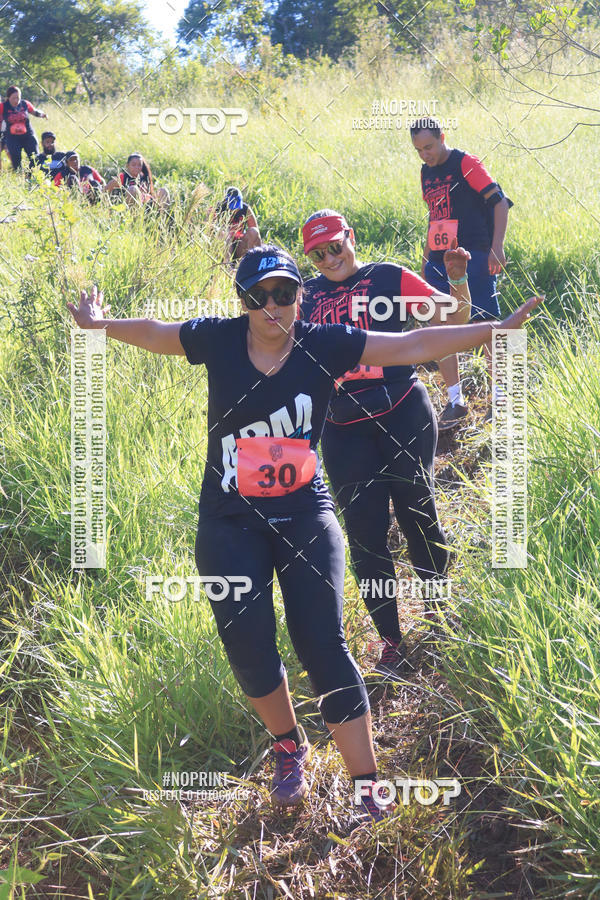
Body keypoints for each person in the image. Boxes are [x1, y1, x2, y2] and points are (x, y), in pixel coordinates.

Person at [66, 245, 541, 822]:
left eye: (284, 293)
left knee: (322, 643)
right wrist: (99, 325)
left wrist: (493, 330)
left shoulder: (324, 343)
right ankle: (289, 745)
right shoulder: (219, 339)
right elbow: (157, 332)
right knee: (247, 643)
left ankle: (366, 784)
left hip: (304, 514)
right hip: (229, 517)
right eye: (257, 296)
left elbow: (413, 345)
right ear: (242, 301)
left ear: (299, 294)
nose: (271, 306)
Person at [301, 210, 471, 679]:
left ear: (351, 238)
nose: (329, 258)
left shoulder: (389, 278)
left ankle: (439, 615)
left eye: (335, 246)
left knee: (419, 514)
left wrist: (459, 279)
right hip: (342, 427)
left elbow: (454, 318)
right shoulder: (305, 296)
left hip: (402, 411)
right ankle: (391, 641)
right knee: (365, 534)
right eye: (318, 254)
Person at [411, 117, 513, 428]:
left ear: (442, 137)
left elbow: (499, 203)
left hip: (474, 256)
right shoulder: (426, 172)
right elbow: (435, 217)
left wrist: (497, 247)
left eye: (429, 147)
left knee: (485, 324)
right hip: (439, 261)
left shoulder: (466, 162)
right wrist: (426, 260)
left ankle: (501, 400)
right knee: (439, 328)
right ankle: (455, 402)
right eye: (419, 150)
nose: (425, 154)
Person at [0, 86, 47, 171]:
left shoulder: (25, 104)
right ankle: (19, 174)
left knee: (34, 157)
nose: (16, 100)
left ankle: (32, 174)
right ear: (8, 97)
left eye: (18, 98)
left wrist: (42, 114)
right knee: (16, 159)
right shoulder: (3, 106)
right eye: (13, 98)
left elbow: (34, 111)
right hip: (12, 137)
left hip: (28, 135)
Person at [210, 187, 261, 262]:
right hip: (223, 247)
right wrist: (226, 230)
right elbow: (209, 231)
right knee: (222, 234)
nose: (235, 210)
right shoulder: (217, 208)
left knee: (254, 231)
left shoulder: (245, 209)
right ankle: (227, 265)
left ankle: (251, 262)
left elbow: (255, 234)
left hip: (240, 246)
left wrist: (237, 232)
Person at [104, 153, 169, 209]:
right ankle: (134, 218)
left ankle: (163, 217)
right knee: (133, 189)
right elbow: (105, 191)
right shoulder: (122, 177)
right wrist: (110, 207)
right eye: (133, 165)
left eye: (139, 165)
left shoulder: (144, 177)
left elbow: (151, 194)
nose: (136, 167)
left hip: (146, 207)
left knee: (163, 191)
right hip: (128, 208)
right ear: (127, 166)